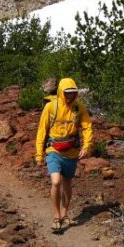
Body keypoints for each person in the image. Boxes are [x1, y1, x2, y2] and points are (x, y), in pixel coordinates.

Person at [34, 78, 92, 233]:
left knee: (67, 182)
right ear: (61, 92)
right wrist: (39, 155)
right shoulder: (50, 107)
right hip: (54, 150)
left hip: (71, 152)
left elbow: (87, 127)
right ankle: (56, 216)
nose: (70, 96)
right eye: (67, 93)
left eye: (73, 93)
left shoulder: (79, 108)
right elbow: (42, 131)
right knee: (56, 181)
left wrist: (86, 147)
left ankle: (65, 213)